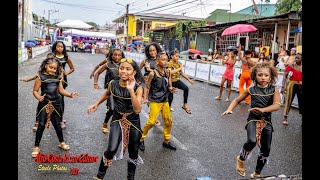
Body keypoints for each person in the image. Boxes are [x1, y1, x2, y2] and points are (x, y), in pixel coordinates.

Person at [88, 58, 144, 180]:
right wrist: (96, 104)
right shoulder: (112, 83)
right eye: (121, 68)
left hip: (133, 121)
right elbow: (108, 93)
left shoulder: (138, 88)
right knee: (111, 149)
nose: (124, 71)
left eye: (128, 69)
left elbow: (138, 110)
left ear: (134, 72)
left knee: (133, 151)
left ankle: (130, 178)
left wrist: (131, 90)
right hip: (117, 118)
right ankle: (99, 176)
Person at [221, 62, 281, 178]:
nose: (263, 77)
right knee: (252, 141)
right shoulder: (251, 89)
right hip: (252, 119)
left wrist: (262, 109)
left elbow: (277, 105)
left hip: (266, 121)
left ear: (270, 76)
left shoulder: (274, 90)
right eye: (260, 75)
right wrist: (229, 109)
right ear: (254, 76)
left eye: (266, 75)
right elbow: (237, 100)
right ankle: (241, 158)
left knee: (266, 149)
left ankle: (257, 174)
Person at [32, 57, 79, 158]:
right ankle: (36, 147)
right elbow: (35, 90)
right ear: (45, 66)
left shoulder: (58, 77)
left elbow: (61, 90)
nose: (52, 70)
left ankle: (61, 142)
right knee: (41, 124)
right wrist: (38, 97)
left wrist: (70, 94)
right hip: (44, 103)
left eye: (54, 68)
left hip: (57, 103)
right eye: (50, 67)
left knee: (57, 124)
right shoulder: (40, 77)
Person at [138, 52, 177, 152]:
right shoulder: (153, 73)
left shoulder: (167, 72)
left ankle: (166, 141)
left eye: (167, 60)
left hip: (165, 100)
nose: (165, 62)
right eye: (163, 60)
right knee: (151, 122)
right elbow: (147, 86)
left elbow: (169, 84)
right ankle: (141, 138)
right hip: (155, 100)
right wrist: (145, 98)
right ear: (157, 61)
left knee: (168, 121)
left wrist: (171, 88)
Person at [20, 52, 56, 132]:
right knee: (40, 107)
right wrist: (27, 79)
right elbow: (37, 76)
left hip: (54, 93)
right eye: (48, 59)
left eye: (51, 59)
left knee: (55, 107)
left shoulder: (56, 69)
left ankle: (57, 121)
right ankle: (37, 122)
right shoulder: (42, 70)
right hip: (44, 93)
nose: (49, 60)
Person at [93, 48, 125, 134]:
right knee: (111, 108)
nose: (117, 56)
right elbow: (97, 73)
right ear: (111, 55)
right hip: (111, 90)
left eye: (119, 55)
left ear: (122, 56)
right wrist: (95, 83)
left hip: (122, 90)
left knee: (121, 109)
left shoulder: (124, 65)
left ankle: (117, 125)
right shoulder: (108, 64)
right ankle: (105, 123)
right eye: (115, 55)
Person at [52, 41, 75, 129]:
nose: (60, 48)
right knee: (51, 97)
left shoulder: (66, 57)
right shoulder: (52, 56)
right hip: (52, 79)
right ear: (55, 47)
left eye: (61, 47)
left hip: (62, 80)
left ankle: (61, 119)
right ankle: (44, 118)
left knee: (61, 99)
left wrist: (66, 73)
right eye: (58, 47)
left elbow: (72, 68)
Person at [139, 42, 162, 125]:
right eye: (150, 51)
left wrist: (149, 69)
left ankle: (153, 115)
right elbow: (138, 69)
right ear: (148, 52)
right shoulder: (145, 60)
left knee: (156, 100)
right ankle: (153, 117)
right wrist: (141, 78)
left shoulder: (159, 60)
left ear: (157, 50)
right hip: (147, 82)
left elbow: (162, 72)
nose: (152, 52)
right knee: (151, 100)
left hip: (157, 83)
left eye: (154, 50)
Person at [281, 54, 302, 125]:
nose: (296, 59)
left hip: (301, 85)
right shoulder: (291, 66)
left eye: (298, 58)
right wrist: (283, 86)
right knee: (288, 100)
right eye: (296, 58)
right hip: (291, 85)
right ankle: (285, 117)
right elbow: (284, 75)